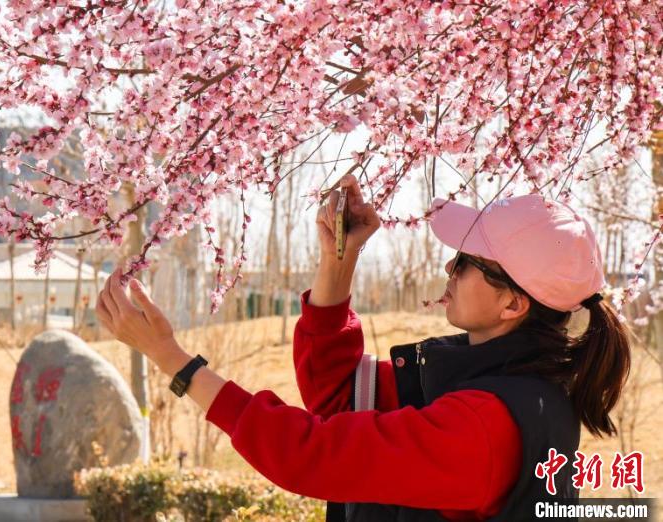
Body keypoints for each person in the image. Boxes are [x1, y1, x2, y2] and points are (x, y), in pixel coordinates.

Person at [96, 174, 631, 521]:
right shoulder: (486, 380)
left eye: (467, 261)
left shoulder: (482, 423)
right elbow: (340, 400)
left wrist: (172, 359)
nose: (450, 266)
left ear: (513, 303)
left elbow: (312, 454)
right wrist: (339, 261)